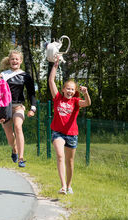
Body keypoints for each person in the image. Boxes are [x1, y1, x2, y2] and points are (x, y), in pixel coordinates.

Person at [48, 56, 91, 195]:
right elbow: (51, 81)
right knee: (60, 156)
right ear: (63, 89)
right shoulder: (57, 98)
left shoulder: (76, 101)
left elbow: (87, 103)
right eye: (68, 88)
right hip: (58, 133)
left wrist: (86, 94)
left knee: (70, 162)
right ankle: (63, 187)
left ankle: (69, 185)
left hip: (72, 134)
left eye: (72, 89)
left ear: (74, 91)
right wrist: (55, 65)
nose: (70, 91)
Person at [0, 50, 37, 168]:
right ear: (9, 61)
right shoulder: (3, 75)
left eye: (17, 59)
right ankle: (14, 149)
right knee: (9, 135)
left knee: (18, 126)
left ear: (20, 61)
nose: (14, 61)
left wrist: (33, 108)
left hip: (19, 106)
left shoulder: (26, 76)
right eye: (12, 59)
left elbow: (31, 94)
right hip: (5, 108)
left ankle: (21, 158)